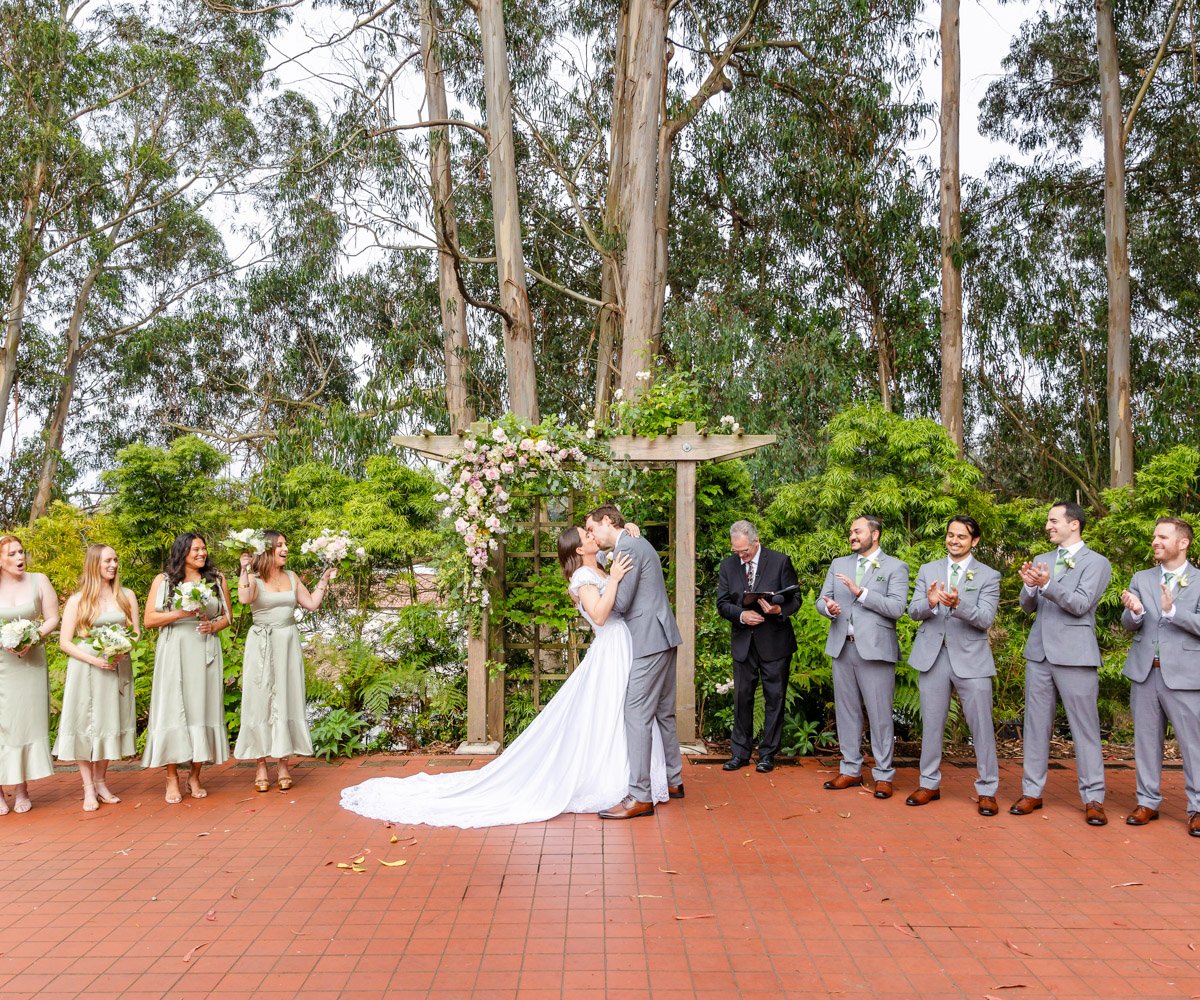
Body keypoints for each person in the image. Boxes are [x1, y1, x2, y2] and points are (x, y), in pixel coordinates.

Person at [339, 527, 669, 825]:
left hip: (627, 647)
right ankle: (609, 780)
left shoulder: (600, 561)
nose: (593, 537)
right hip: (611, 650)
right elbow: (599, 616)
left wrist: (627, 531)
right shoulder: (583, 578)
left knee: (625, 715)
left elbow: (619, 545)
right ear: (578, 550)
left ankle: (633, 778)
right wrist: (612, 579)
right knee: (613, 715)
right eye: (586, 537)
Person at [1011, 500, 1112, 825]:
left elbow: (1081, 604)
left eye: (1054, 521)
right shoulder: (1043, 560)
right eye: (1048, 521)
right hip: (1039, 654)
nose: (1048, 526)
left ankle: (1093, 797)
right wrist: (1029, 586)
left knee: (1085, 728)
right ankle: (1032, 792)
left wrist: (1048, 585)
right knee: (1035, 726)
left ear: (1074, 524)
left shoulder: (1097, 563)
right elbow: (1028, 607)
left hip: (1076, 656)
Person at [586, 505, 685, 820]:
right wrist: (625, 529)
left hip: (647, 640)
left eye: (592, 529)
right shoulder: (632, 542)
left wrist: (598, 603)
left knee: (636, 713)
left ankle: (641, 796)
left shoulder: (627, 546)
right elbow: (602, 559)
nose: (591, 536)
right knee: (664, 713)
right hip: (664, 633)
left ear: (606, 521)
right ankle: (674, 780)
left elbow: (622, 602)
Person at [904, 516, 1002, 815]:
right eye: (950, 535)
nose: (954, 540)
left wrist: (959, 605)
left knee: (981, 726)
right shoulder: (928, 570)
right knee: (932, 724)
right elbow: (913, 611)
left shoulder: (989, 575)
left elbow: (985, 619)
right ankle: (929, 784)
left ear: (975, 541)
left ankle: (987, 789)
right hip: (932, 657)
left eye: (961, 536)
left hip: (971, 659)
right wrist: (931, 601)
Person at [815, 515, 909, 799]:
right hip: (843, 647)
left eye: (858, 531)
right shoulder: (839, 564)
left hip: (876, 650)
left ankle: (883, 774)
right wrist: (827, 607)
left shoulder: (895, 567)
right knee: (846, 711)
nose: (852, 535)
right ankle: (850, 769)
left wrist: (862, 593)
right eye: (851, 532)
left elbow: (896, 608)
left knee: (880, 714)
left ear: (875, 534)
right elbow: (821, 599)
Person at [234, 531, 336, 791]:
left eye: (286, 544)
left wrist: (324, 580)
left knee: (285, 698)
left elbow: (311, 604)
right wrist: (244, 570)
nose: (285, 548)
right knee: (260, 700)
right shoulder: (254, 579)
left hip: (287, 643)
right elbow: (244, 599)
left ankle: (282, 764)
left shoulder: (292, 577)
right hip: (261, 643)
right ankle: (260, 765)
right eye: (279, 545)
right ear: (266, 550)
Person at [1119, 517, 1200, 838]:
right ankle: (1148, 801)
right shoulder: (1142, 578)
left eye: (1163, 537)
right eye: (1154, 536)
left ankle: (1196, 808)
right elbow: (1129, 624)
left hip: (1185, 676)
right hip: (1144, 672)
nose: (1155, 541)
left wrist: (1172, 612)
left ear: (1183, 543)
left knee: (1193, 746)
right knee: (1146, 742)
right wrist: (1135, 611)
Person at [143, 533, 232, 803]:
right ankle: (171, 777)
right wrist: (181, 613)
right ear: (182, 552)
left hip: (205, 649)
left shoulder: (217, 580)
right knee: (173, 709)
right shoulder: (165, 581)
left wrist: (213, 626)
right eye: (196, 549)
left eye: (204, 548)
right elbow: (149, 620)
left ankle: (195, 774)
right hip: (175, 649)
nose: (201, 553)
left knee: (201, 708)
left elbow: (227, 615)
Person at [54, 544, 141, 811]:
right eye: (107, 561)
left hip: (116, 665)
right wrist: (95, 659)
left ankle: (101, 781)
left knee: (108, 723)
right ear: (94, 564)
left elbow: (136, 633)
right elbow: (65, 642)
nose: (113, 565)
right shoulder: (78, 600)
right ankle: (88, 788)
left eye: (115, 560)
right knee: (84, 726)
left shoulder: (126, 596)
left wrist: (121, 650)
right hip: (86, 668)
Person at [716, 520, 801, 773]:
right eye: (736, 551)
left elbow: (796, 598)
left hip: (775, 641)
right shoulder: (727, 566)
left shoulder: (780, 561)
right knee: (742, 697)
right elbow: (722, 603)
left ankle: (767, 755)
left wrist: (779, 609)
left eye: (745, 551)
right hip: (744, 641)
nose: (741, 556)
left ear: (756, 542)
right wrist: (742, 615)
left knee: (775, 698)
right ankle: (740, 753)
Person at [0, 535, 59, 814]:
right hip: (2, 664)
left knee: (24, 723)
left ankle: (22, 787)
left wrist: (32, 639)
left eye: (21, 552)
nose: (19, 558)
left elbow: (52, 619)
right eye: (11, 554)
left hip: (31, 662)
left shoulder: (40, 580)